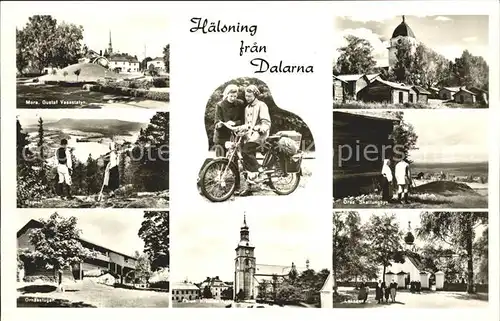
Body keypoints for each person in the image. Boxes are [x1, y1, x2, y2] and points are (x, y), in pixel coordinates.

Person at [237, 85, 271, 196]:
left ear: (255, 95)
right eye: (246, 96)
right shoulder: (247, 108)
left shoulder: (262, 105)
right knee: (245, 160)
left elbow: (266, 121)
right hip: (249, 135)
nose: (247, 98)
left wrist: (262, 128)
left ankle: (260, 170)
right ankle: (249, 188)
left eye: (249, 96)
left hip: (260, 134)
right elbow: (248, 124)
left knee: (246, 151)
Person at [213, 84, 245, 157]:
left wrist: (234, 122)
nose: (233, 98)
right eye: (231, 96)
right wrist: (220, 124)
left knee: (235, 160)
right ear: (227, 94)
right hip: (221, 136)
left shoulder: (240, 104)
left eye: (235, 96)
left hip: (235, 136)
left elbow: (243, 120)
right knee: (220, 160)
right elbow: (216, 122)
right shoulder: (220, 105)